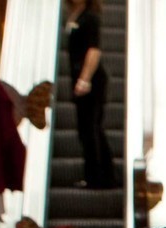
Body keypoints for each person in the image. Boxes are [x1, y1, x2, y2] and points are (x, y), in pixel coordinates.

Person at [64, 0, 118, 188]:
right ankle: (99, 176)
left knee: (90, 128)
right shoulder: (74, 14)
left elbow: (94, 51)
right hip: (80, 78)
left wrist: (84, 79)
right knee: (88, 128)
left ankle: (99, 177)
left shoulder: (90, 17)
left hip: (91, 80)